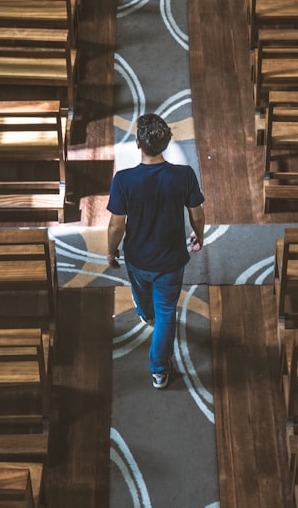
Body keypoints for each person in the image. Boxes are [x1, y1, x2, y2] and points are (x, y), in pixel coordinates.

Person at [107, 113, 206, 390]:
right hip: (171, 260)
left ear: (138, 143)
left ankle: (143, 311)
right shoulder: (183, 175)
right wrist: (199, 235)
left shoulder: (124, 180)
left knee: (142, 293)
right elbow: (197, 214)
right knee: (167, 314)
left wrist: (110, 252)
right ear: (166, 142)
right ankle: (160, 371)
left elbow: (116, 225)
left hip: (137, 257)